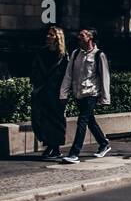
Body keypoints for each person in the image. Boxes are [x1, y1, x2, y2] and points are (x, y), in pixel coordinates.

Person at [58, 28, 111, 164]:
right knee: (90, 121)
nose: (79, 37)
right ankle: (104, 143)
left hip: (91, 93)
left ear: (90, 37)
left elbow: (105, 77)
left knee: (82, 121)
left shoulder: (99, 55)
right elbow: (68, 75)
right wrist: (63, 93)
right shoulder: (76, 54)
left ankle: (74, 153)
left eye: (82, 35)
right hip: (78, 93)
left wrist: (105, 98)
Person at [31, 25, 68, 158]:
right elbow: (35, 70)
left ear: (58, 38)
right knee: (42, 120)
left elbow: (66, 76)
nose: (48, 36)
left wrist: (64, 93)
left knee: (56, 121)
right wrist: (35, 85)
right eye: (48, 34)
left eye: (51, 35)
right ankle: (50, 146)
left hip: (56, 92)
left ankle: (55, 148)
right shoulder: (41, 52)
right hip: (41, 91)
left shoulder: (63, 56)